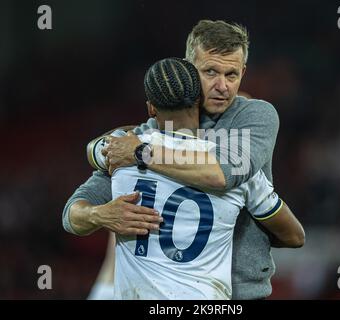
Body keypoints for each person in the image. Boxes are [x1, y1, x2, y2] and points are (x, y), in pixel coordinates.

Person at [63, 20, 285, 299]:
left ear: (243, 72)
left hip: (242, 294)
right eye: (211, 72)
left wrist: (139, 153)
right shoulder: (154, 132)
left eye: (232, 75)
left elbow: (223, 174)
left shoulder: (251, 118)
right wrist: (99, 214)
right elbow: (72, 213)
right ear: (189, 69)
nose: (223, 87)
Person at [103, 57, 303, 299]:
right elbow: (294, 236)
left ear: (151, 109)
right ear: (199, 100)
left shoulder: (119, 153)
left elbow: (95, 151)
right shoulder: (235, 166)